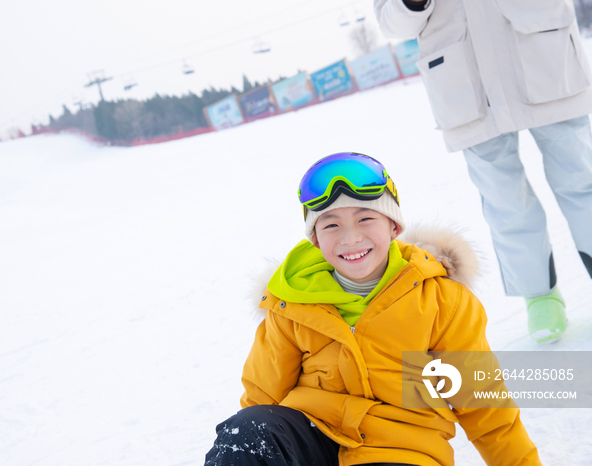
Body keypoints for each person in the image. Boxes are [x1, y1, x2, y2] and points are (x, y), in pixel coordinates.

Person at [204, 152, 541, 466]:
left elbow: (484, 406)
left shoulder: (440, 301)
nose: (350, 238)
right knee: (246, 433)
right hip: (313, 435)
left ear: (394, 227)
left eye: (365, 219)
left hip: (402, 448)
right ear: (316, 239)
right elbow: (262, 398)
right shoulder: (291, 301)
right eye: (331, 225)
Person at [373, 0, 592, 343]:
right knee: (506, 203)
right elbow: (391, 23)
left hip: (542, 54)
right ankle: (539, 295)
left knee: (581, 180)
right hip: (464, 81)